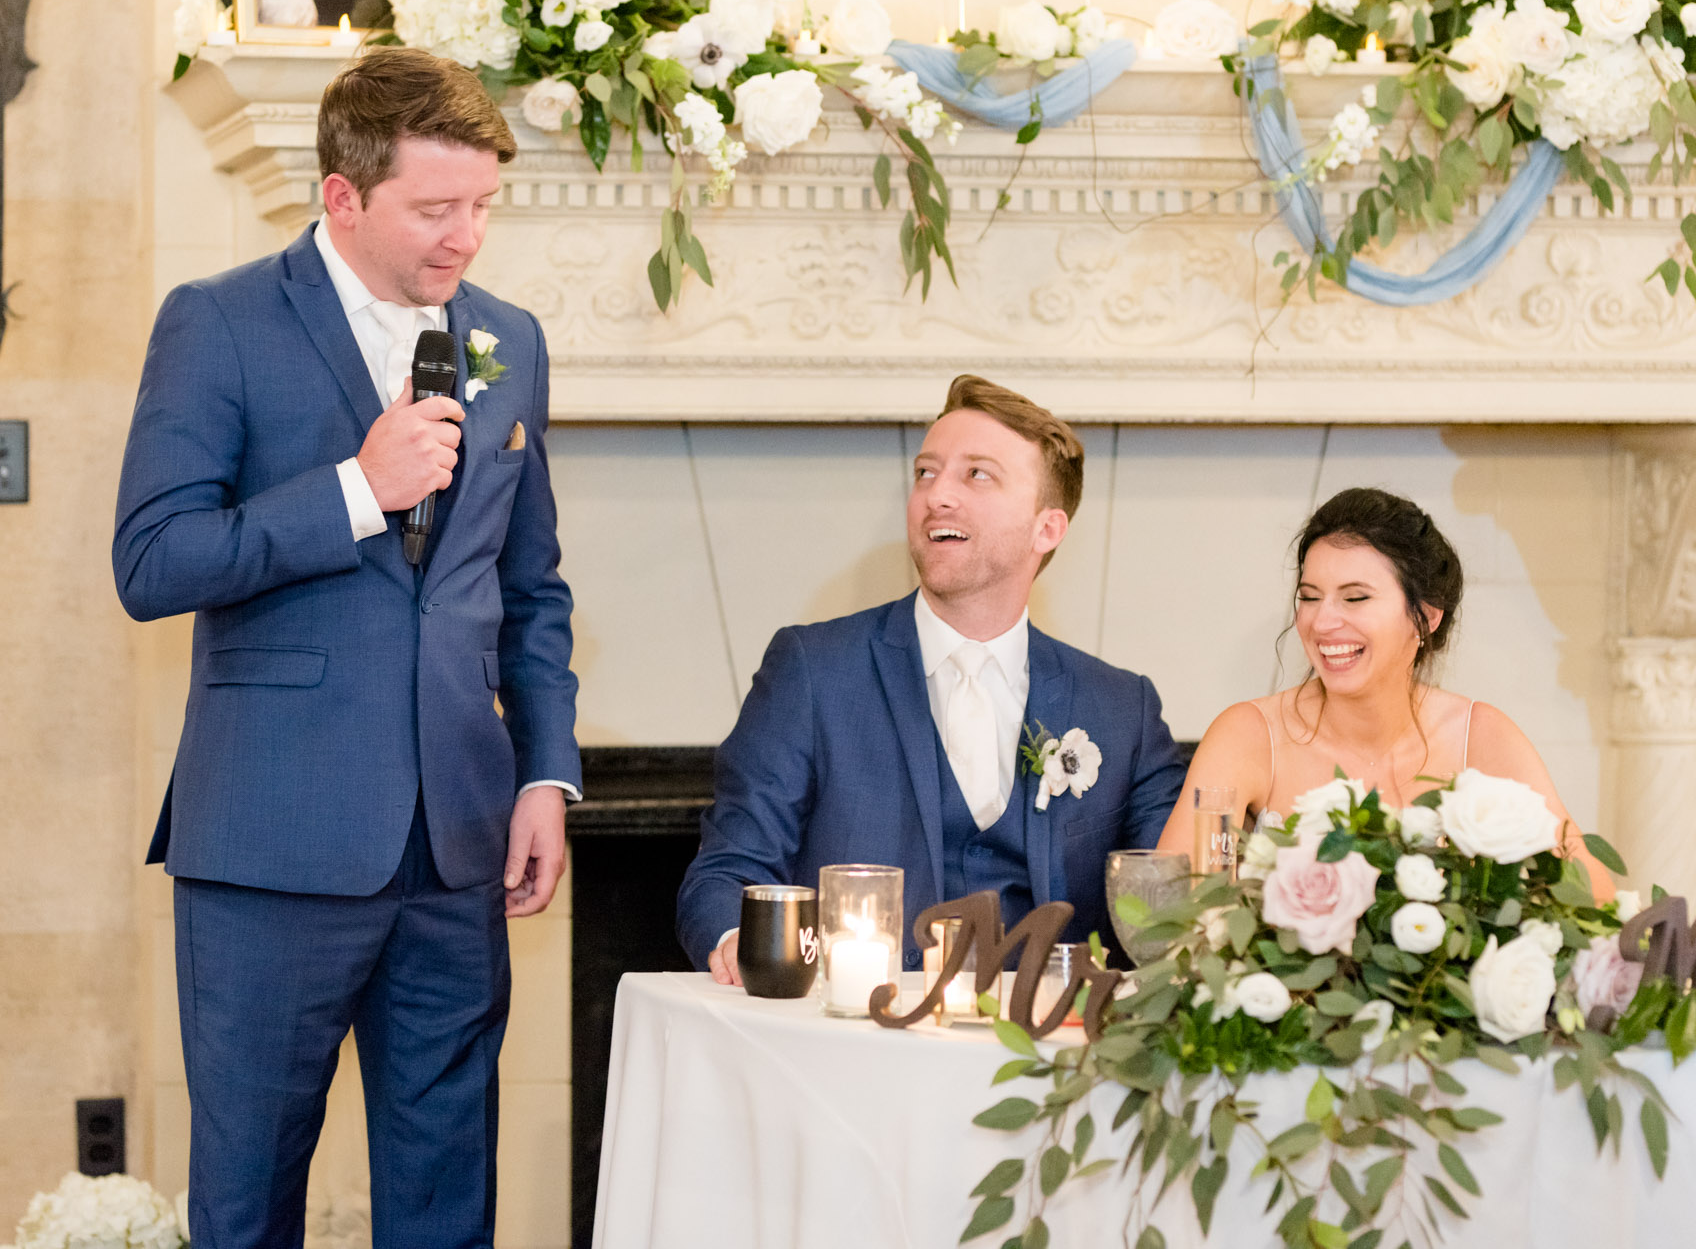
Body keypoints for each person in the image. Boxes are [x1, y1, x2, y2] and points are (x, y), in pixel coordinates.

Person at [113, 47, 579, 1248]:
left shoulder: (509, 341)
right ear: (341, 195)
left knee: (444, 1202)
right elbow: (152, 560)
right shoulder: (217, 322)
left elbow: (528, 588)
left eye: (481, 204)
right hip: (273, 844)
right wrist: (353, 491)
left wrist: (543, 771)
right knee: (246, 1199)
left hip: (456, 848)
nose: (465, 237)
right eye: (435, 208)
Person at [676, 376, 1188, 983]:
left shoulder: (1121, 707)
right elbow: (726, 873)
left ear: (1046, 529)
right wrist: (744, 944)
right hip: (862, 1042)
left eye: (977, 475)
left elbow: (1176, 909)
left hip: (1050, 1058)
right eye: (926, 472)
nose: (936, 495)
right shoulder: (813, 671)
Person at [1154, 487, 1608, 895]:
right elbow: (1172, 909)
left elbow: (1592, 898)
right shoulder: (1248, 735)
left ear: (1426, 616)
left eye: (1355, 598)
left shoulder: (1481, 737)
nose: (1322, 622)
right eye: (1310, 597)